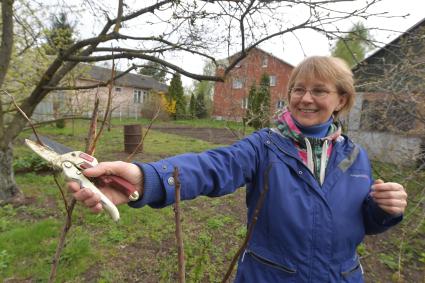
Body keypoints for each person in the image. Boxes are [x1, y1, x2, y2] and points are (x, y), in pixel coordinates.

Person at [68, 56, 407, 282]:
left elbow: (360, 222)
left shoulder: (356, 156)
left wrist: (382, 210)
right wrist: (145, 179)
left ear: (342, 101)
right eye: (298, 89)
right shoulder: (265, 146)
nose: (305, 98)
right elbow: (214, 166)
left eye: (319, 91)